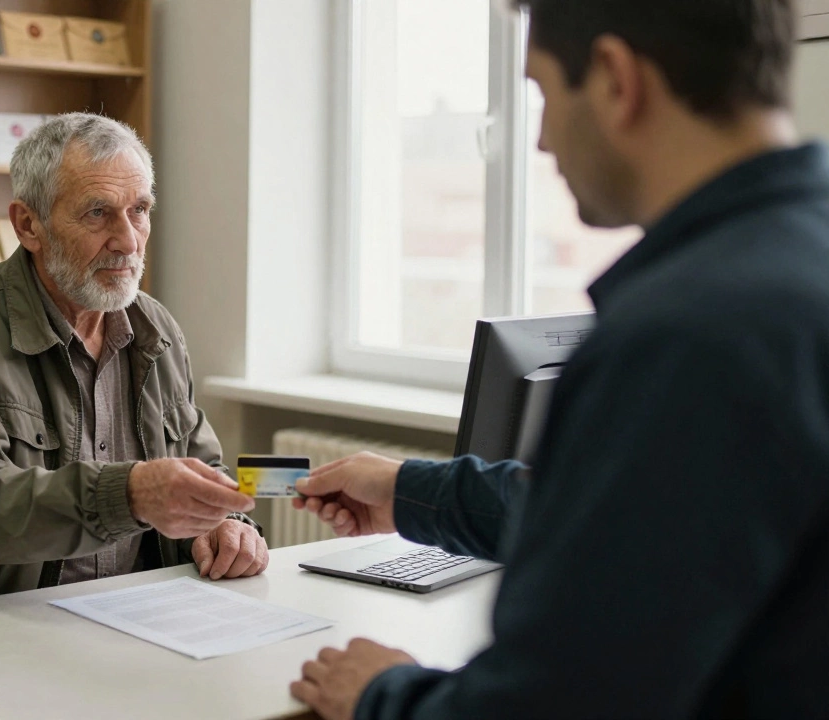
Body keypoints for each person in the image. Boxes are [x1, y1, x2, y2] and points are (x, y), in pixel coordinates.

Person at [290, 1, 829, 718]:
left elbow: (558, 702)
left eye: (541, 91)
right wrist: (411, 490)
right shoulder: (797, 258)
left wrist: (385, 696)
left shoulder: (690, 333)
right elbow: (652, 521)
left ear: (614, 78)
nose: (540, 139)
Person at [0, 113, 266, 610]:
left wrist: (226, 524)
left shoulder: (157, 330)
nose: (129, 240)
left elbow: (205, 466)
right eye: (97, 214)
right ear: (29, 225)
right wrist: (127, 495)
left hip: (138, 620)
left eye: (140, 210)